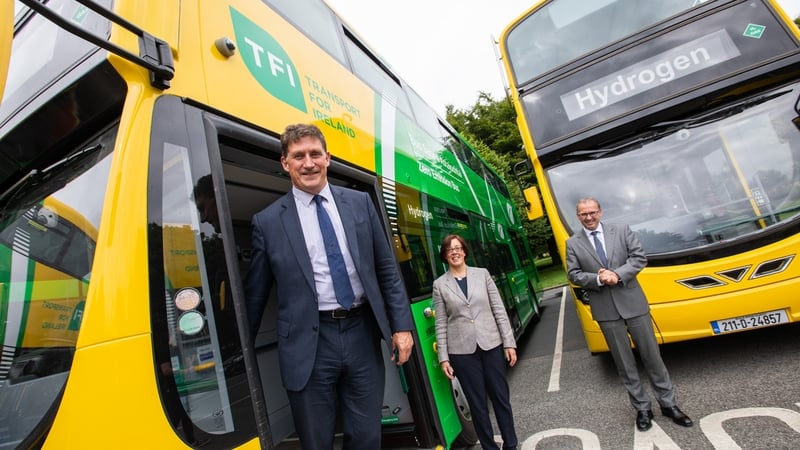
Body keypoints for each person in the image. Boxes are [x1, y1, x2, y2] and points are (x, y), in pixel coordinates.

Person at [244, 123, 414, 450]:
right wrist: (239, 355)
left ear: (328, 158)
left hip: (361, 334)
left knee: (367, 438)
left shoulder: (360, 203)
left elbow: (386, 270)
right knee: (316, 441)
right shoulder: (267, 222)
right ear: (285, 163)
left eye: (315, 154)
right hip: (307, 343)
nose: (308, 163)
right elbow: (255, 295)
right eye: (298, 156)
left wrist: (402, 327)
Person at [565, 197, 693, 432]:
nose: (589, 217)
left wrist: (617, 274)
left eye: (592, 212)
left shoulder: (621, 230)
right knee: (624, 363)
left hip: (633, 304)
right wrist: (598, 279)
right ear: (578, 216)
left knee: (652, 357)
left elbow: (638, 257)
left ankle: (668, 404)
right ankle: (642, 409)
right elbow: (573, 274)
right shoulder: (573, 243)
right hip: (605, 309)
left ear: (600, 212)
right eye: (584, 214)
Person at [432, 234, 518, 450]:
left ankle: (511, 445)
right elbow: (441, 322)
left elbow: (498, 309)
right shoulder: (439, 285)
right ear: (444, 255)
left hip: (491, 344)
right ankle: (489, 447)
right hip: (462, 353)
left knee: (500, 398)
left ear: (464, 251)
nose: (454, 252)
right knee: (477, 404)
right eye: (449, 249)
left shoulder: (482, 274)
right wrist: (443, 357)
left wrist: (509, 343)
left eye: (458, 248)